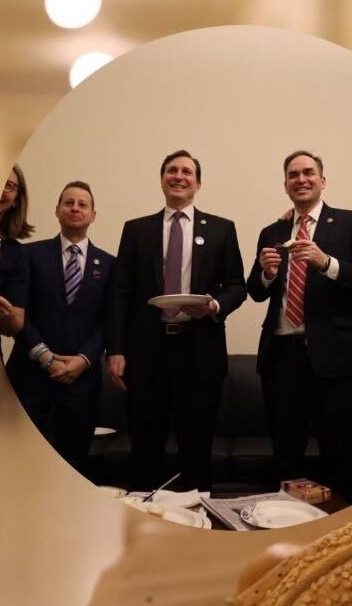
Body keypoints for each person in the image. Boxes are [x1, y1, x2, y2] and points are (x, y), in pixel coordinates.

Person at [106, 150, 246, 491]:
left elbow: (237, 287)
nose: (179, 176)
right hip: (147, 353)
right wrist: (116, 350)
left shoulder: (221, 229)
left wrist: (214, 305)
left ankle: (197, 517)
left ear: (198, 183)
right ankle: (143, 515)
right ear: (162, 179)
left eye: (187, 171)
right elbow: (120, 292)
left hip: (199, 352)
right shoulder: (136, 230)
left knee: (196, 446)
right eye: (172, 170)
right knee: (145, 444)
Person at [247, 151, 352, 502]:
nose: (301, 179)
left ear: (323, 180)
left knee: (340, 446)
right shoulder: (272, 231)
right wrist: (267, 273)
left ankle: (341, 521)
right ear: (286, 185)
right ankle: (287, 517)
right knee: (286, 448)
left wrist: (326, 262)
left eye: (308, 173)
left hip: (336, 357)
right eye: (293, 175)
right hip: (281, 355)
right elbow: (255, 292)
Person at [6, 182, 114, 475]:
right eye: (69, 202)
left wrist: (83, 360)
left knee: (73, 465)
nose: (75, 208)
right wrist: (45, 357)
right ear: (57, 210)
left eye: (83, 204)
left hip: (81, 381)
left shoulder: (109, 265)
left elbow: (109, 321)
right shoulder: (28, 256)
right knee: (20, 464)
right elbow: (17, 314)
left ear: (94, 215)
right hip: (29, 378)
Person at [0, 164, 34, 357]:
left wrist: (4, 313)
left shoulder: (16, 252)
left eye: (8, 186)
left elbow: (13, 326)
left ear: (16, 199)